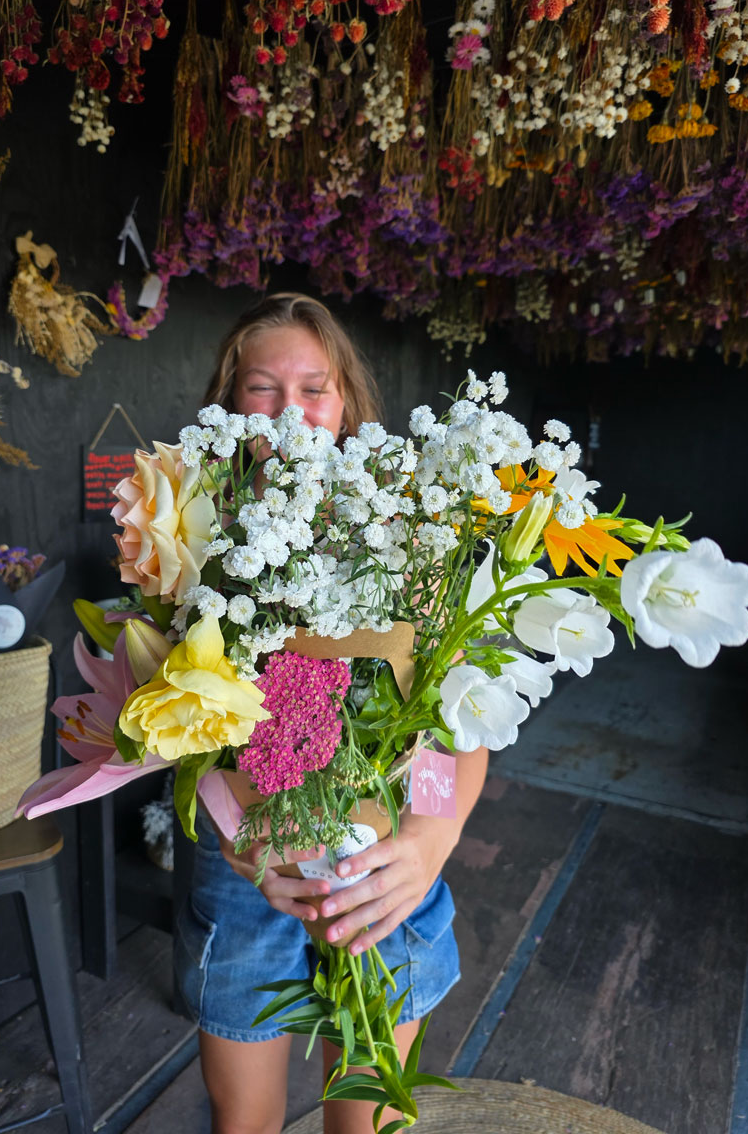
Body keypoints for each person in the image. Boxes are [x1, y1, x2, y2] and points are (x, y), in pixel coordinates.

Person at [174, 293, 489, 1134]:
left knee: (369, 1116)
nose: (290, 411)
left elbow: (448, 720)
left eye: (314, 387)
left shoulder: (411, 533)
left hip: (383, 868)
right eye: (261, 387)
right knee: (243, 1118)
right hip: (251, 876)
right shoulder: (187, 532)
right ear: (228, 400)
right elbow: (179, 728)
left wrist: (430, 840)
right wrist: (242, 834)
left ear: (346, 402)